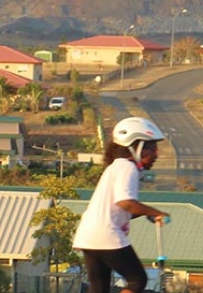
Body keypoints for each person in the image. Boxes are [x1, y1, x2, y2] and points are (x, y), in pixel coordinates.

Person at [73, 116, 170, 293]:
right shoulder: (127, 167)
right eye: (152, 148)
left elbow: (119, 208)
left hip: (88, 235)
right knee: (137, 280)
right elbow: (125, 202)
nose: (156, 154)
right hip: (107, 234)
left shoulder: (115, 167)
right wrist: (157, 212)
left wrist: (145, 213)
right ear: (135, 148)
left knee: (99, 288)